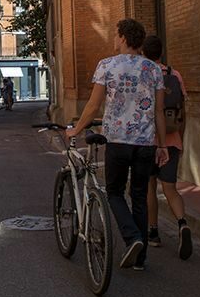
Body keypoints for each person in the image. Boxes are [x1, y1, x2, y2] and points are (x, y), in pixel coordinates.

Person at [67, 18, 168, 271]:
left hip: (118, 141)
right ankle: (140, 259)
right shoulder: (153, 69)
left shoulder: (107, 66)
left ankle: (132, 238)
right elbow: (159, 111)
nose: (114, 39)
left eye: (115, 35)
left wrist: (76, 129)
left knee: (113, 192)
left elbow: (93, 106)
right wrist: (163, 145)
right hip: (145, 143)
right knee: (139, 197)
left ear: (123, 37)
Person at [142, 35, 193, 260]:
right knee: (170, 188)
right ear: (161, 53)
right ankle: (182, 223)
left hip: (148, 141)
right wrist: (180, 138)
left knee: (150, 187)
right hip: (172, 140)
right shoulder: (174, 75)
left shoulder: (143, 75)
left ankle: (153, 232)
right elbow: (183, 109)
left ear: (144, 53)